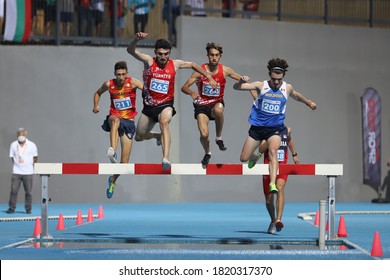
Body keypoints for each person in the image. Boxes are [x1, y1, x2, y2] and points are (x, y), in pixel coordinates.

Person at [127, 32, 217, 170]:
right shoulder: (149, 61)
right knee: (139, 136)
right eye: (160, 54)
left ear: (169, 53)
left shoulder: (174, 64)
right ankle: (158, 136)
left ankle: (166, 158)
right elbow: (130, 51)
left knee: (164, 122)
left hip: (166, 105)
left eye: (166, 54)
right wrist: (135, 40)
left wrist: (209, 77)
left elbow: (193, 65)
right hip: (149, 107)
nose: (163, 57)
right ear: (155, 53)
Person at [233, 57, 317, 194]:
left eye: (279, 79)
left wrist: (308, 102)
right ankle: (255, 157)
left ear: (283, 76)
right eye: (274, 79)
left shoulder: (287, 88)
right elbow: (237, 88)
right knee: (243, 158)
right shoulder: (261, 85)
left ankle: (272, 184)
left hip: (275, 129)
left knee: (273, 152)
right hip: (257, 128)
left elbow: (297, 95)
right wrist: (240, 81)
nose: (276, 82)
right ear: (269, 76)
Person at [181, 42, 249, 167]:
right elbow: (183, 87)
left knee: (219, 109)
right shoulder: (199, 71)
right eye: (211, 55)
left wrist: (243, 79)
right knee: (204, 134)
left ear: (220, 57)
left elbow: (241, 80)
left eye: (217, 55)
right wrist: (191, 92)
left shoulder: (225, 70)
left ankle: (219, 137)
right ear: (208, 55)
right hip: (201, 106)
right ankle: (208, 152)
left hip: (216, 103)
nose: (214, 58)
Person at [92, 61, 143, 198]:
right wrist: (96, 105)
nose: (120, 77)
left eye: (123, 74)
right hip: (114, 117)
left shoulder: (133, 83)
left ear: (127, 74)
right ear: (115, 74)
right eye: (118, 74)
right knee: (115, 120)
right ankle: (112, 151)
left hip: (129, 122)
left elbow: (148, 91)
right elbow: (97, 93)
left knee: (124, 164)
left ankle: (113, 179)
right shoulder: (109, 84)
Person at [258, 127, 299, 233]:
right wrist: (270, 140)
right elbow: (261, 150)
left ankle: (279, 220)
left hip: (282, 166)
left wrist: (294, 154)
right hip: (269, 167)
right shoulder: (265, 130)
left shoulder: (287, 130)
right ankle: (273, 220)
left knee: (280, 188)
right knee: (268, 199)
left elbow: (289, 141)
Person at [6, 128, 38, 214]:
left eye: (23, 134)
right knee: (13, 191)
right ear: (17, 135)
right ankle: (11, 208)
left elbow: (35, 157)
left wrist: (29, 164)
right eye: (20, 134)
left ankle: (28, 209)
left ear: (26, 135)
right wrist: (17, 165)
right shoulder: (13, 145)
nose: (21, 136)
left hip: (28, 172)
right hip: (16, 172)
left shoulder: (32, 145)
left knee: (28, 192)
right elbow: (12, 157)